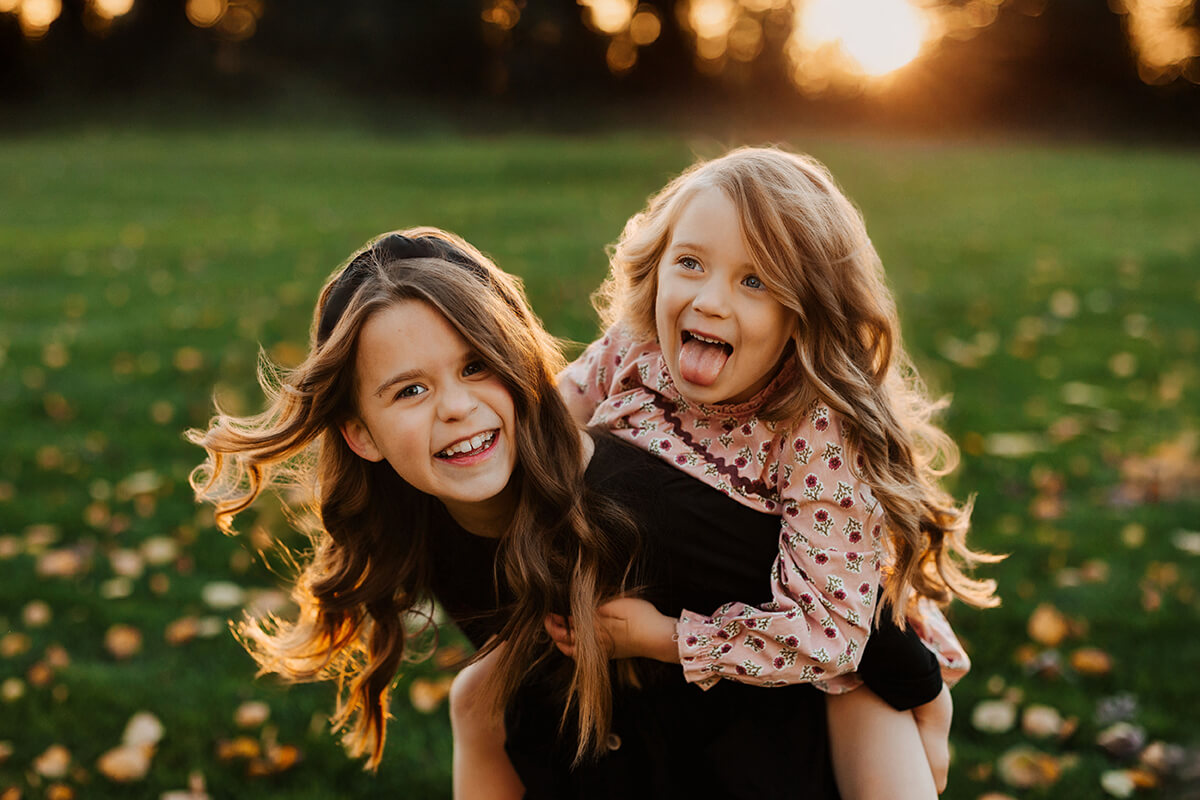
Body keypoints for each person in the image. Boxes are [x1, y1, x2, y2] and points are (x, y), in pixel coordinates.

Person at [189, 227, 955, 799]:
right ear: (361, 434)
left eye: (476, 367)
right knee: (482, 697)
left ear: (524, 367)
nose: (455, 409)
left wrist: (926, 699)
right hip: (656, 728)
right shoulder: (432, 521)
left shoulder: (638, 497)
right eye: (410, 390)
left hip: (796, 713)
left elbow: (853, 625)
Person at [548, 146, 1000, 790]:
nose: (708, 300)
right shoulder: (636, 347)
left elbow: (830, 632)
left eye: (754, 281)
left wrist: (665, 639)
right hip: (711, 601)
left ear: (803, 313)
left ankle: (929, 709)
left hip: (844, 641)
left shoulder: (814, 426)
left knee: (886, 750)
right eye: (690, 264)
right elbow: (553, 422)